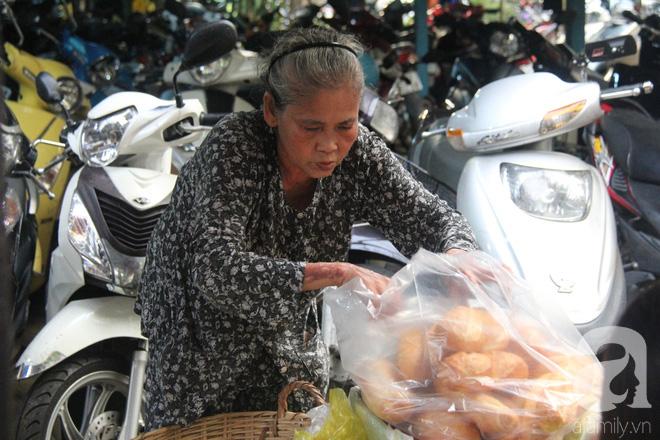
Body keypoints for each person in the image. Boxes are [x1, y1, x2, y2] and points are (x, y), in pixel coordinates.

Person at [135, 27, 477, 431]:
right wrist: (337, 273)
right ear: (270, 109)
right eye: (311, 127)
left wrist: (459, 256)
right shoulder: (234, 147)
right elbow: (216, 268)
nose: (330, 146)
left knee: (300, 421)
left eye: (344, 125)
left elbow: (432, 217)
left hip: (287, 330)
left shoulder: (360, 154)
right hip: (198, 334)